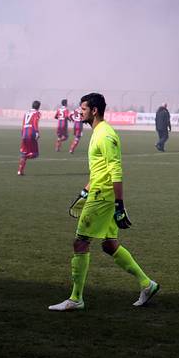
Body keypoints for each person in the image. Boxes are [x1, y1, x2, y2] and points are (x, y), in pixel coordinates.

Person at [49, 92, 159, 312]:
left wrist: (119, 204)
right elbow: (99, 170)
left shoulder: (105, 135)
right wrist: (83, 193)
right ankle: (147, 284)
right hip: (98, 192)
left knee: (80, 242)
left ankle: (76, 298)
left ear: (94, 110)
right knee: (109, 245)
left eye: (83, 108)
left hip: (103, 196)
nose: (79, 112)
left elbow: (115, 169)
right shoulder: (98, 132)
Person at [18, 100, 42, 176]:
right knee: (35, 154)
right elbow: (35, 122)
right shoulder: (37, 113)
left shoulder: (26, 113)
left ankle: (20, 171)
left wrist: (22, 133)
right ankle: (26, 156)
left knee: (23, 153)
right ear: (38, 107)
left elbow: (23, 124)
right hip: (31, 133)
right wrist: (37, 132)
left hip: (24, 133)